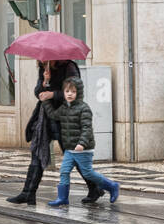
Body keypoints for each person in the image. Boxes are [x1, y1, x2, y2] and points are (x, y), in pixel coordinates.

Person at [7, 59, 101, 205]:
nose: (41, 60)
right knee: (37, 152)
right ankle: (28, 193)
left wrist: (52, 94)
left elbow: (76, 92)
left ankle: (95, 187)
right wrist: (44, 82)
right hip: (46, 117)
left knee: (74, 156)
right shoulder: (44, 68)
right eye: (40, 58)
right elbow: (38, 92)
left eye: (44, 58)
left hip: (66, 118)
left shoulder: (69, 67)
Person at [44, 77, 119, 207]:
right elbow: (53, 115)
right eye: (67, 91)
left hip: (83, 149)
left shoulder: (84, 108)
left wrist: (82, 143)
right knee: (64, 171)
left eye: (73, 91)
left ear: (78, 93)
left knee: (87, 173)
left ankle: (112, 186)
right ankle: (62, 198)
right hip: (69, 149)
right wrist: (45, 101)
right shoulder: (64, 108)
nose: (69, 94)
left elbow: (87, 128)